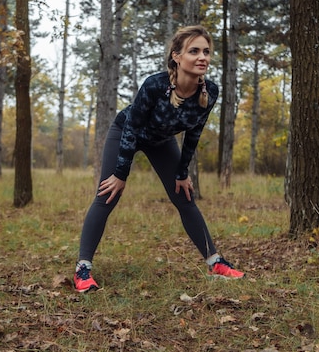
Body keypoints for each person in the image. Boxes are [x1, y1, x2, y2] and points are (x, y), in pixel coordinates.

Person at [74, 25, 244, 293]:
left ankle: (215, 262)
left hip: (162, 141)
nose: (203, 57)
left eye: (207, 52)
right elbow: (131, 128)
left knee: (184, 196)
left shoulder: (209, 91)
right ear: (177, 56)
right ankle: (83, 269)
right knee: (107, 194)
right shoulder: (155, 85)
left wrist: (181, 172)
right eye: (194, 51)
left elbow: (194, 133)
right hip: (127, 132)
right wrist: (121, 173)